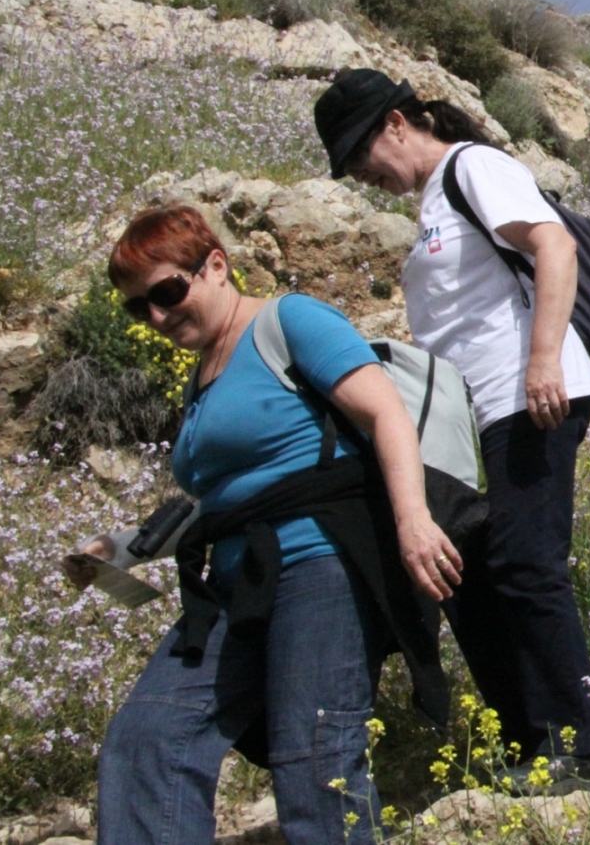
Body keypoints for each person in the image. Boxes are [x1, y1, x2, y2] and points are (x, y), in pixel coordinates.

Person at [69, 205, 459, 844]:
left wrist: (413, 520)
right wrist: (121, 550)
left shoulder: (289, 321)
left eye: (167, 293)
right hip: (235, 583)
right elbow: (230, 504)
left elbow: (384, 412)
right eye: (139, 309)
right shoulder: (203, 376)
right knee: (147, 739)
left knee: (315, 759)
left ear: (216, 266)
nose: (158, 317)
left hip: (321, 564)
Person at [315, 68, 590, 795]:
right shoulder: (431, 203)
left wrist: (542, 359)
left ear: (396, 123)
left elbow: (554, 246)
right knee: (470, 573)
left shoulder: (471, 166)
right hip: (477, 414)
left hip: (527, 394)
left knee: (525, 561)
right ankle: (529, 742)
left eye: (360, 154)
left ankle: (580, 748)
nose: (361, 174)